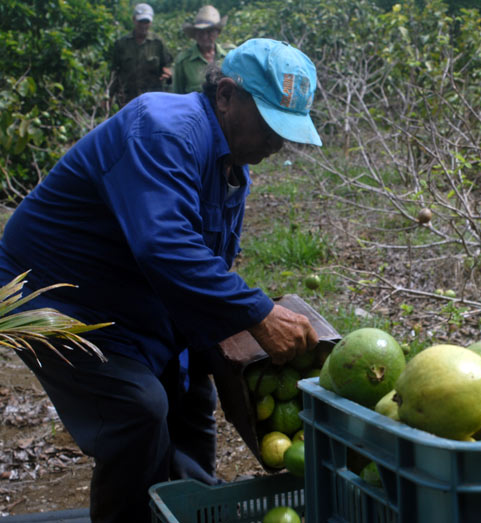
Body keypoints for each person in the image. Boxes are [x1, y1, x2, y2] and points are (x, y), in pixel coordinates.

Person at [0, 38, 323, 522]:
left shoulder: (232, 169)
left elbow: (204, 263)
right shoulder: (163, 129)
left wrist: (223, 338)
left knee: (193, 393)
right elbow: (164, 246)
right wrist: (257, 312)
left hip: (126, 296)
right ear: (226, 95)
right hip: (49, 294)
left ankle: (190, 507)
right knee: (138, 409)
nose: (279, 143)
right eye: (270, 125)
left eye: (288, 131)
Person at [110, 3, 173, 106]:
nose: (143, 26)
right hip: (127, 100)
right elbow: (114, 72)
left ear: (151, 22)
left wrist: (169, 75)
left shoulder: (158, 43)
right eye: (140, 21)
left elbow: (167, 67)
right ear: (134, 20)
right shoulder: (121, 43)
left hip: (152, 99)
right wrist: (109, 96)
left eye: (146, 22)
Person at [173, 5, 228, 94]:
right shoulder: (184, 60)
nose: (205, 36)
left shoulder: (229, 55)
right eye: (200, 32)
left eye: (209, 31)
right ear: (195, 34)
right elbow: (178, 94)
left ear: (218, 33)